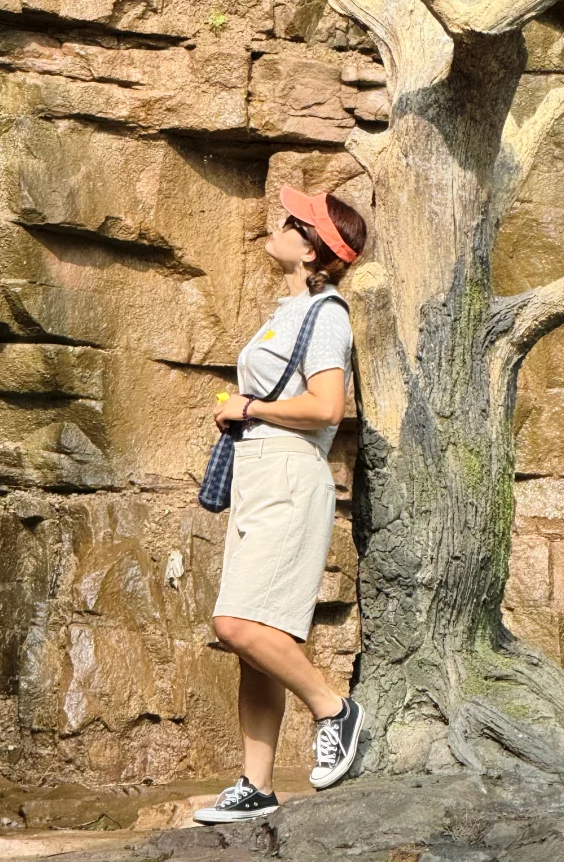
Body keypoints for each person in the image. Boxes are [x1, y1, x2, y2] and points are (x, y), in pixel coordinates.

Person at [193, 187, 368, 825]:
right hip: (259, 475)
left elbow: (327, 408)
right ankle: (256, 784)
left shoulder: (327, 315)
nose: (281, 225)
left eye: (295, 222)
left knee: (237, 624)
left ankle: (335, 710)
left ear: (313, 247)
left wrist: (250, 407)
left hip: (291, 476)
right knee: (255, 635)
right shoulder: (287, 311)